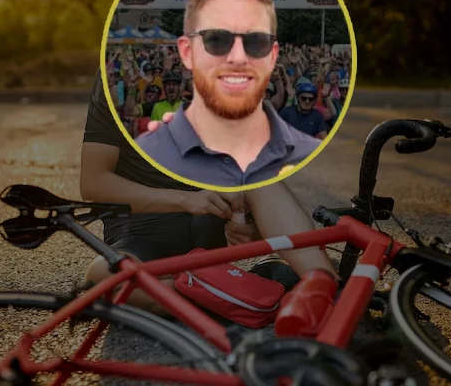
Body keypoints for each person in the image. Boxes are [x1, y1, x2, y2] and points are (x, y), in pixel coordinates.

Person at [80, 68, 338, 316]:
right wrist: (186, 200)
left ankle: (329, 288)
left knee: (262, 180)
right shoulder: (114, 80)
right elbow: (94, 183)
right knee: (101, 279)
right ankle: (253, 293)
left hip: (209, 223)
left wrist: (252, 227)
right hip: (141, 232)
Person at [134, 0, 320, 187]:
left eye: (256, 42)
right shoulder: (142, 162)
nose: (238, 58)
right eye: (216, 39)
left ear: (273, 56)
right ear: (187, 53)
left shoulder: (315, 160)